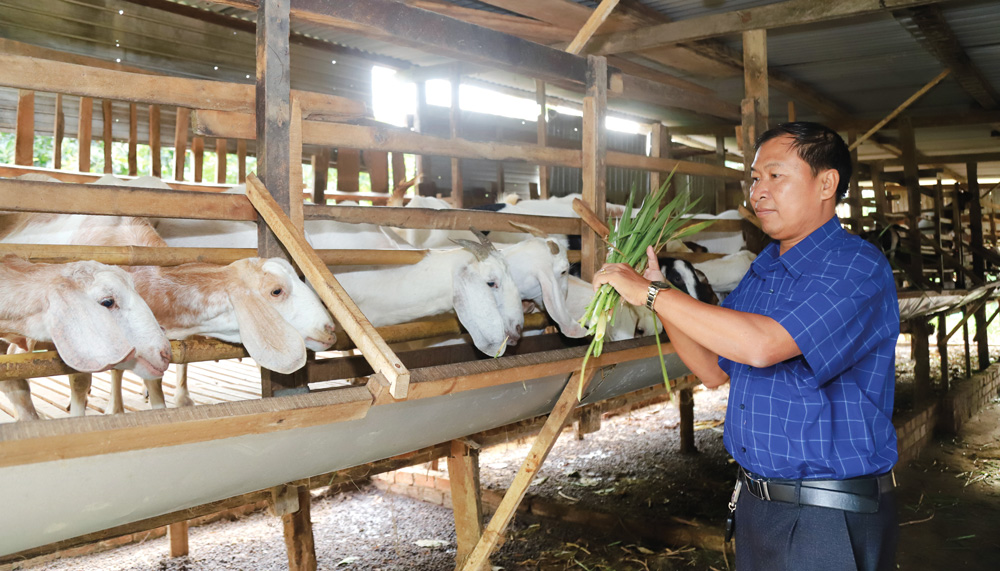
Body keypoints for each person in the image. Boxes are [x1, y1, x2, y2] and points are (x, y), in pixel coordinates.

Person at [592, 122, 899, 571]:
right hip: (759, 505)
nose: (759, 192)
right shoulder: (764, 270)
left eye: (776, 176)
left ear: (827, 184)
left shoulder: (857, 267)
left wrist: (652, 295)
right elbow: (714, 370)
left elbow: (763, 346)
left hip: (828, 513)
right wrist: (660, 296)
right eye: (755, 178)